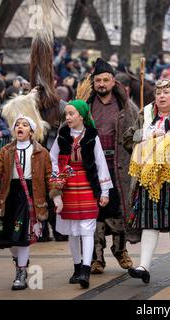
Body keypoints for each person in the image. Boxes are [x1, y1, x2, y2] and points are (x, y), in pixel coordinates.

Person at [124, 78, 170, 283]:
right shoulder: (145, 115)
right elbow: (127, 139)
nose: (162, 96)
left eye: (166, 92)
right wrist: (146, 137)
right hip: (151, 177)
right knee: (150, 220)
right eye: (158, 93)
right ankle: (144, 266)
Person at [0, 114, 54, 290]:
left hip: (30, 196)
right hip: (9, 196)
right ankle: (19, 260)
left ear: (31, 131)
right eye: (17, 125)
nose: (20, 127)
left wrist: (56, 195)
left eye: (24, 125)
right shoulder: (6, 150)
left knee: (22, 236)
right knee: (8, 239)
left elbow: (48, 176)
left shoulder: (41, 152)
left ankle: (21, 272)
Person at [50, 100, 113, 289]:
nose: (67, 117)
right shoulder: (62, 135)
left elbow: (100, 163)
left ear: (82, 116)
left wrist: (104, 191)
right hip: (68, 186)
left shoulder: (92, 135)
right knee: (72, 229)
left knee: (87, 228)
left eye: (71, 113)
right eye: (66, 114)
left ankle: (85, 269)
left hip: (87, 185)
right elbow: (53, 159)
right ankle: (77, 267)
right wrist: (57, 181)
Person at [87, 58, 137, 273]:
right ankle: (97, 257)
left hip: (120, 165)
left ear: (113, 81)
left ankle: (120, 250)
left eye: (105, 80)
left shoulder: (126, 106)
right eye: (98, 80)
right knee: (96, 210)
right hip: (94, 166)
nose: (101, 84)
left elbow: (137, 133)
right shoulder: (86, 106)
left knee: (119, 207)